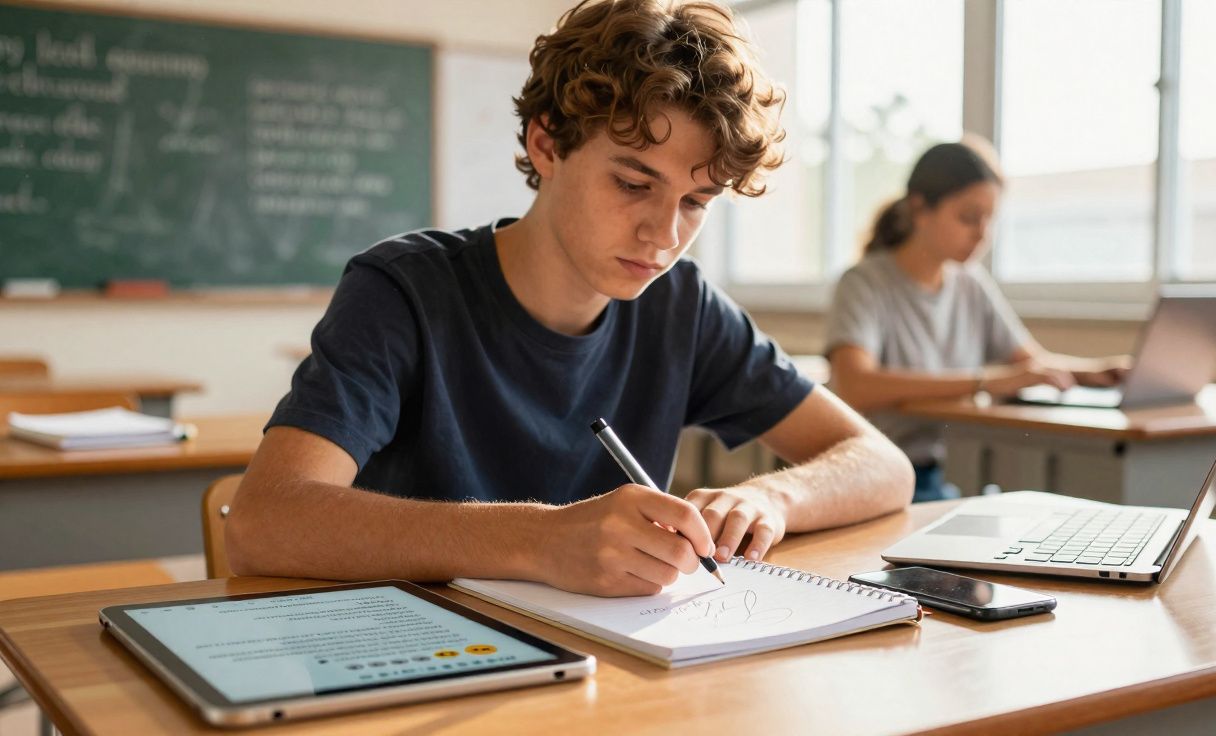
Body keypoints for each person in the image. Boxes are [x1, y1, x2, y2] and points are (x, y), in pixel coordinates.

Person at [227, 0, 913, 597]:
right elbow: (263, 523)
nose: (664, 234)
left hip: (608, 666)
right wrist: (542, 539)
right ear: (546, 144)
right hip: (422, 654)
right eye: (634, 184)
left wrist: (773, 496)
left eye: (696, 201)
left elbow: (883, 465)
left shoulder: (682, 307)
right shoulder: (403, 290)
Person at [825, 141, 1128, 503]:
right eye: (968, 218)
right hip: (865, 476)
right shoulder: (863, 284)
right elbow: (856, 385)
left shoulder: (970, 284)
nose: (982, 233)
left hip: (929, 477)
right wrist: (987, 381)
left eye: (989, 219)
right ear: (920, 209)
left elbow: (1030, 363)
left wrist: (1095, 372)